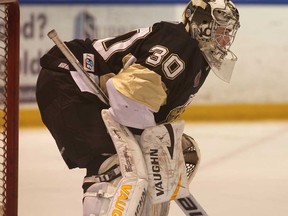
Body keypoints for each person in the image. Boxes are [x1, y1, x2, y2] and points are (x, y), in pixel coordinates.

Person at [36, 0, 240, 215]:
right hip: (70, 79)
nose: (225, 39)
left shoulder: (196, 56)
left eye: (228, 33)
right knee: (114, 167)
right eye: (220, 30)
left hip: (80, 87)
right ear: (202, 24)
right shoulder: (179, 45)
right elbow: (125, 95)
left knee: (141, 171)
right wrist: (153, 140)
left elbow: (143, 105)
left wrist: (157, 142)